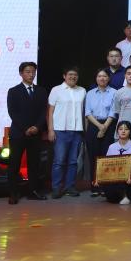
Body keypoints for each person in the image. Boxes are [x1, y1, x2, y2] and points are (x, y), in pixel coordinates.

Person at [6, 61, 48, 203]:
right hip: (18, 133)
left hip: (36, 133)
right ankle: (13, 193)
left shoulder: (41, 91)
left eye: (33, 72)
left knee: (34, 164)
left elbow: (44, 112)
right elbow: (13, 112)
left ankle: (33, 191)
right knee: (14, 163)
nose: (31, 74)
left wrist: (37, 127)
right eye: (28, 72)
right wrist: (26, 128)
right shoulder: (13, 91)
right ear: (21, 73)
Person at [47, 66, 87, 199]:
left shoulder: (82, 91)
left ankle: (70, 186)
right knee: (59, 161)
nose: (73, 77)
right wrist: (50, 130)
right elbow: (50, 111)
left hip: (77, 131)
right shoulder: (56, 90)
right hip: (60, 130)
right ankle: (56, 188)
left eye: (75, 75)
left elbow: (84, 112)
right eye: (70, 74)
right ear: (64, 76)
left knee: (73, 161)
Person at [84, 69, 117, 196]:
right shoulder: (90, 93)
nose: (102, 78)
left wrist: (104, 127)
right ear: (96, 78)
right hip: (94, 126)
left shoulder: (114, 92)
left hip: (109, 125)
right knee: (94, 157)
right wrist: (99, 127)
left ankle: (105, 187)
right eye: (99, 76)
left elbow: (113, 112)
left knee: (106, 157)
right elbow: (87, 113)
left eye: (104, 76)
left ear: (109, 78)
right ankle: (95, 186)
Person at [97, 121, 131, 204]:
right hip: (115, 177)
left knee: (130, 192)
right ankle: (122, 196)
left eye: (126, 129)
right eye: (120, 129)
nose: (123, 131)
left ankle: (124, 196)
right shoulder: (112, 147)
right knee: (109, 190)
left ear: (130, 131)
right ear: (117, 131)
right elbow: (107, 165)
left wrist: (130, 175)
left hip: (130, 177)